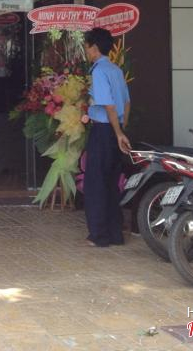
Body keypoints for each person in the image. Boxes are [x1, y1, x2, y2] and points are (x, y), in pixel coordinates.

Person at [83, 27, 131, 247]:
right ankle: (115, 234)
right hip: (115, 129)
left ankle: (99, 235)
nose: (86, 51)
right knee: (112, 182)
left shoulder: (99, 71)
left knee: (96, 183)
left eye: (87, 47)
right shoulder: (116, 70)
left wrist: (117, 132)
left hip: (103, 130)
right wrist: (121, 130)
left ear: (94, 47)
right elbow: (126, 103)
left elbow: (108, 105)